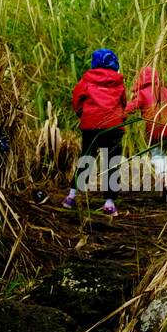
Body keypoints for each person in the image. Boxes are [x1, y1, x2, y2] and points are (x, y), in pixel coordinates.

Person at [63, 48, 128, 217]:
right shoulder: (118, 81)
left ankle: (71, 197)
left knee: (86, 159)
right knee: (111, 162)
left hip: (91, 125)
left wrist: (82, 115)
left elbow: (77, 99)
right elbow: (123, 103)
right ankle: (109, 203)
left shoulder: (86, 80)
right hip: (113, 126)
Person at [130, 65, 167, 199]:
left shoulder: (142, 93)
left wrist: (119, 110)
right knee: (163, 153)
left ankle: (166, 180)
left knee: (157, 153)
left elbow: (131, 107)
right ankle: (166, 185)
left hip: (156, 129)